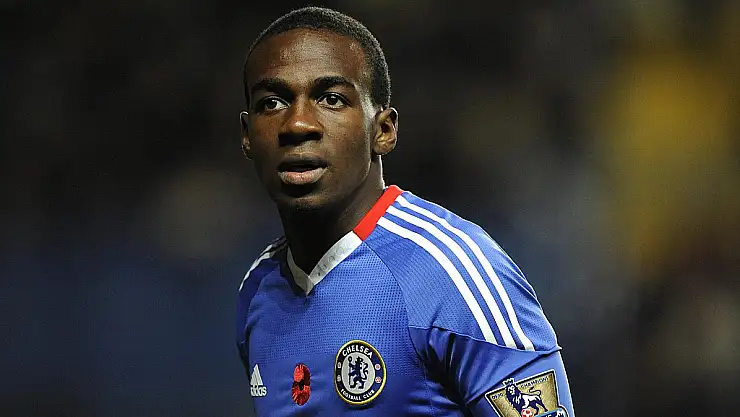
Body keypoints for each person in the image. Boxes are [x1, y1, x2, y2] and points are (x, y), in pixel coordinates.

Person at [236, 6, 575, 416]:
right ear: (248, 137)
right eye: (272, 103)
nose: (297, 124)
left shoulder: (453, 271)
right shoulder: (258, 290)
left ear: (383, 130)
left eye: (331, 99)